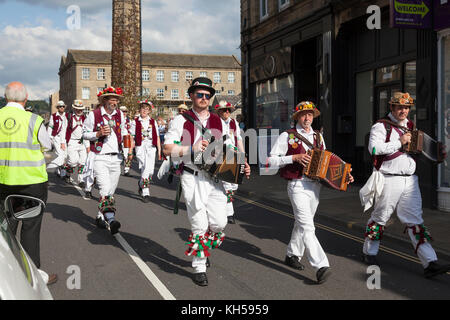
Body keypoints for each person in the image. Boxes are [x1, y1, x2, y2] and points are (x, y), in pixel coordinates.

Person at [163, 77, 251, 286]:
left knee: (219, 223)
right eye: (199, 94)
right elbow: (167, 149)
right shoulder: (180, 120)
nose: (203, 98)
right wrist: (191, 149)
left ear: (211, 99)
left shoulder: (219, 121)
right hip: (192, 177)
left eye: (207, 95)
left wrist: (242, 164)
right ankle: (199, 266)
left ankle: (203, 249)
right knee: (199, 225)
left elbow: (230, 149)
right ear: (192, 95)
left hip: (215, 178)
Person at [360, 92, 450, 278]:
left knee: (415, 222)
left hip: (410, 180)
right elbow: (374, 149)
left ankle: (430, 262)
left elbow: (420, 150)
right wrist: (399, 142)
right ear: (391, 108)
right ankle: (369, 252)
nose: (403, 111)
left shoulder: (411, 127)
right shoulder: (381, 126)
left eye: (407, 107)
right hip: (388, 179)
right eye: (399, 107)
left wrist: (436, 153)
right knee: (380, 218)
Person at [268, 101, 353, 284]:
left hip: (315, 186)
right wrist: (294, 157)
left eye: (310, 114)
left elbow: (326, 162)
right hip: (297, 185)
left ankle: (292, 255)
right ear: (297, 117)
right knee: (308, 226)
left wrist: (344, 175)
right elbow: (270, 161)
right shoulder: (287, 136)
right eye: (303, 114)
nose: (307, 118)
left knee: (302, 222)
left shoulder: (318, 137)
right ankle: (321, 265)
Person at [0, 82, 57, 285]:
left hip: (3, 182)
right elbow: (48, 145)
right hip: (31, 182)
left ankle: (6, 275)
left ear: (6, 98)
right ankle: (32, 276)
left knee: (5, 228)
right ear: (25, 100)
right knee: (31, 227)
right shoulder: (34, 119)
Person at [82, 87, 128, 234]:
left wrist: (128, 151)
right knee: (104, 189)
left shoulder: (120, 114)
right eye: (111, 99)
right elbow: (84, 134)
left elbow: (125, 132)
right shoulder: (94, 115)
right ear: (104, 100)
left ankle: (100, 216)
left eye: (116, 99)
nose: (115, 101)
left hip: (116, 158)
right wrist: (98, 133)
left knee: (111, 191)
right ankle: (111, 220)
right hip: (100, 157)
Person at [214, 100, 245, 224]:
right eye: (224, 110)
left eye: (228, 110)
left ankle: (223, 206)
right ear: (219, 111)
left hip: (235, 154)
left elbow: (239, 139)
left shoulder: (234, 122)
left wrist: (243, 156)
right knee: (226, 183)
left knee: (234, 184)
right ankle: (229, 213)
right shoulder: (215, 122)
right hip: (222, 154)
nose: (227, 112)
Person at [129, 100, 161, 203]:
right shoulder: (135, 122)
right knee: (145, 167)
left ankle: (141, 184)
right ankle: (145, 192)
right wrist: (130, 151)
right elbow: (131, 138)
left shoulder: (153, 121)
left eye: (146, 109)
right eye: (143, 108)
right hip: (140, 146)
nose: (144, 111)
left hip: (151, 147)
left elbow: (157, 136)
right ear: (140, 110)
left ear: (149, 111)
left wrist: (160, 150)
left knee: (149, 170)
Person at [63, 100, 89, 186]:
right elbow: (63, 130)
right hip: (72, 142)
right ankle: (67, 174)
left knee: (83, 161)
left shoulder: (85, 118)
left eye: (81, 109)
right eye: (77, 109)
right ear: (74, 108)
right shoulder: (68, 116)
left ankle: (81, 180)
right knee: (73, 161)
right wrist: (63, 142)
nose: (79, 111)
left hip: (82, 142)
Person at [47, 100, 68, 178]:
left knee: (64, 155)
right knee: (60, 155)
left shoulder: (67, 116)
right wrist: (50, 138)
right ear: (57, 108)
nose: (62, 108)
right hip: (56, 137)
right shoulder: (54, 116)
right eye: (60, 106)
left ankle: (57, 170)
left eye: (63, 106)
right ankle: (47, 167)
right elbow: (50, 127)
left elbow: (66, 128)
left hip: (64, 138)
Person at [120, 105, 134, 177]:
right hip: (118, 138)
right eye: (123, 111)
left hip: (126, 138)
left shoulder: (129, 120)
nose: (124, 113)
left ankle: (126, 170)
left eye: (125, 112)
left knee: (127, 155)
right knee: (117, 155)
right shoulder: (117, 119)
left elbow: (131, 130)